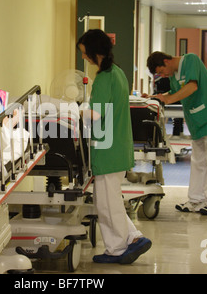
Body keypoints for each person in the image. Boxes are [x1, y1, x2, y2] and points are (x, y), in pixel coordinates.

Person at [77, 29, 151, 264]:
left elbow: (96, 115)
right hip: (117, 146)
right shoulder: (118, 73)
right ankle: (133, 237)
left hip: (108, 150)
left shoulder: (105, 77)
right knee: (108, 201)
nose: (84, 57)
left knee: (107, 204)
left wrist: (73, 110)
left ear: (93, 50)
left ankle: (117, 249)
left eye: (84, 53)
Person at [146, 52, 207, 215]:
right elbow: (173, 93)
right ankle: (195, 200)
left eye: (162, 72)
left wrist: (168, 99)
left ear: (166, 61)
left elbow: (192, 86)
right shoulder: (174, 75)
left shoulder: (190, 60)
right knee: (198, 161)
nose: (163, 75)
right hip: (197, 121)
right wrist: (156, 97)